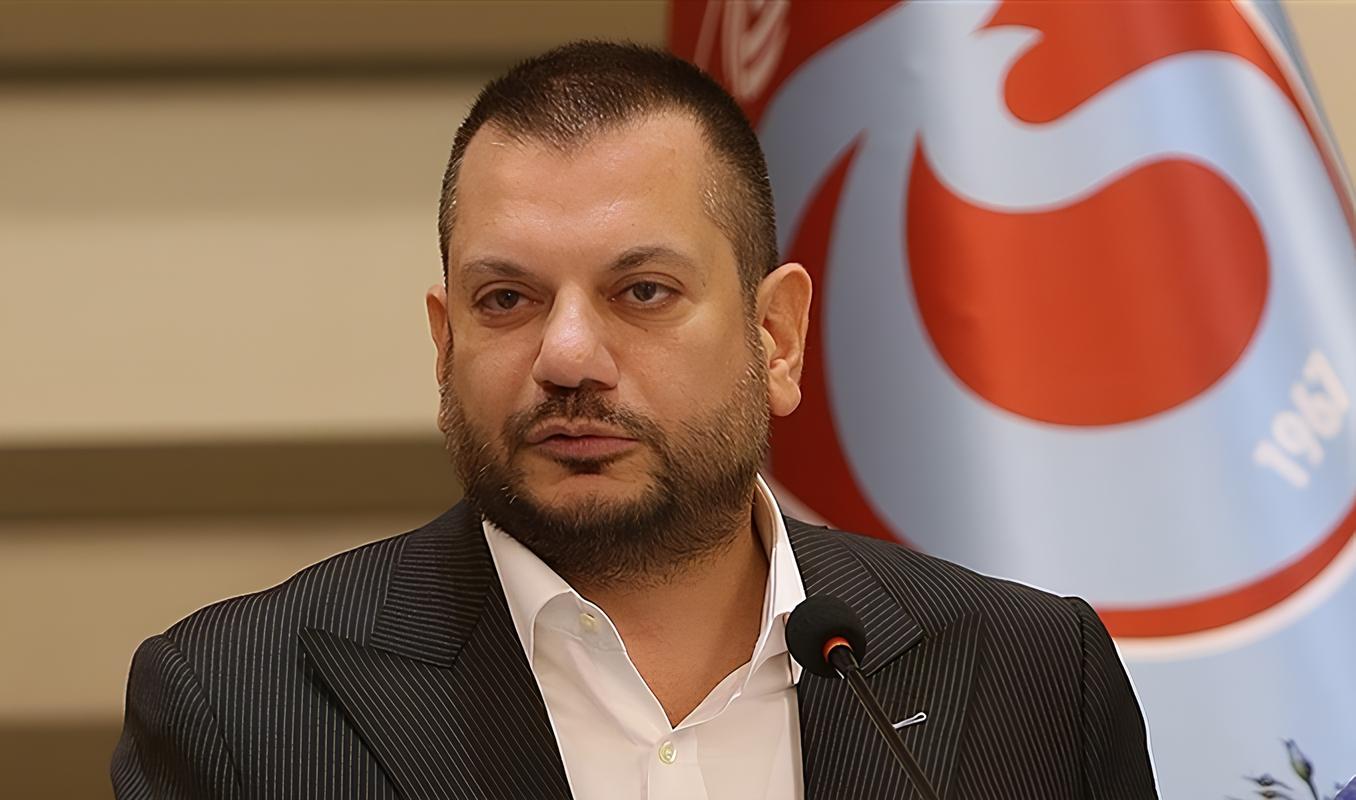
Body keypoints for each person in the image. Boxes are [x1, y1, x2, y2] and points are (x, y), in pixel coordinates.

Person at [111, 41, 1158, 799]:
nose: (567, 357)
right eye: (507, 299)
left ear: (776, 338)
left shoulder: (1033, 676)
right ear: (444, 344)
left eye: (642, 291)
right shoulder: (241, 705)